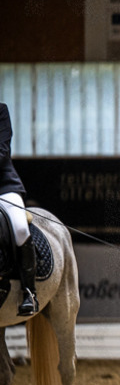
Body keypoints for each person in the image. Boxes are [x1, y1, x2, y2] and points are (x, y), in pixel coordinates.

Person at [0, 103, 38, 317]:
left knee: (20, 228)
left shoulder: (1, 111)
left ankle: (29, 292)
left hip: (4, 187)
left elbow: (2, 151)